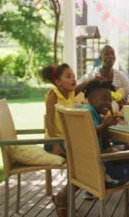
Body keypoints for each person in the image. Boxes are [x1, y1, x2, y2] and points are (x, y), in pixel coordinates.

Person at [41, 63, 80, 217]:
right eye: (68, 76)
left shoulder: (70, 94)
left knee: (89, 160)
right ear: (58, 82)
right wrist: (55, 144)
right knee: (84, 163)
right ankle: (62, 199)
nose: (73, 79)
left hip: (68, 142)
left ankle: (62, 197)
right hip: (53, 143)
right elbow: (49, 122)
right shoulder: (53, 95)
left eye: (74, 76)